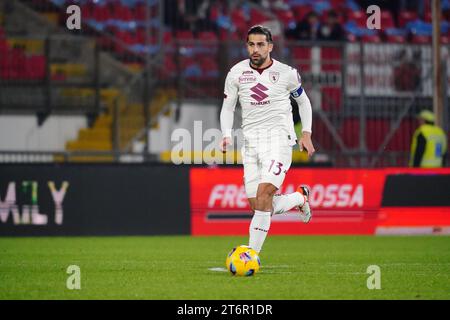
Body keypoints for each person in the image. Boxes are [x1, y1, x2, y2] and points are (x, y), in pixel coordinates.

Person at [219, 25, 315, 253]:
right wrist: (225, 135)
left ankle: (250, 254)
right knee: (259, 205)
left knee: (263, 195)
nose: (256, 49)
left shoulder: (287, 73)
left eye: (261, 44)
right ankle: (299, 198)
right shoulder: (236, 73)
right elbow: (227, 108)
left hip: (279, 141)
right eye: (251, 44)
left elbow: (303, 102)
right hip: (251, 145)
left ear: (270, 47)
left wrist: (306, 134)